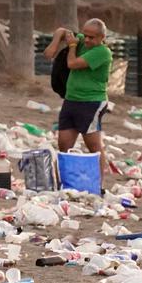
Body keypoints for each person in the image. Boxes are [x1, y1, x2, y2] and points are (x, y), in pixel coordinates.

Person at [44, 18, 112, 181]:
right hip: (71, 100)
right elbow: (62, 31)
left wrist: (73, 46)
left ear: (102, 37)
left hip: (91, 102)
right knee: (64, 144)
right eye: (85, 35)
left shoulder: (102, 52)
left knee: (93, 146)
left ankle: (98, 184)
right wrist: (55, 43)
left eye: (91, 37)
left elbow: (72, 63)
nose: (86, 40)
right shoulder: (81, 40)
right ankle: (63, 181)